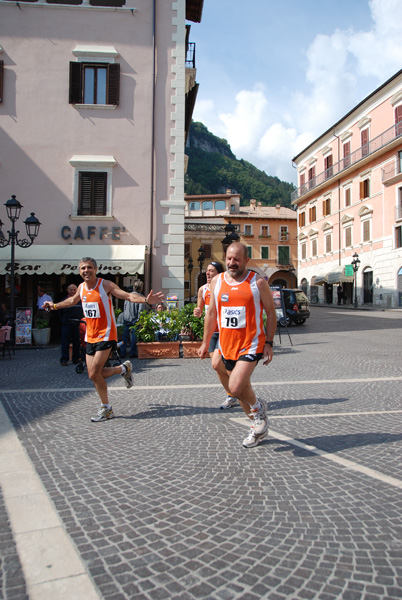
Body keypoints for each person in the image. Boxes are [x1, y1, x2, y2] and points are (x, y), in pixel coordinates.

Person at [43, 257, 164, 422]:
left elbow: (127, 296)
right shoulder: (81, 287)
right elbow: (72, 300)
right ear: (80, 271)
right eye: (83, 268)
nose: (86, 270)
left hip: (106, 333)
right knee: (93, 375)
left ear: (95, 269)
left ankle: (106, 408)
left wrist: (145, 300)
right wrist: (54, 305)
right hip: (90, 335)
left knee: (94, 372)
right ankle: (122, 369)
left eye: (89, 268)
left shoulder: (105, 285)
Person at [198, 242, 277, 448]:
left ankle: (258, 408)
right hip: (226, 344)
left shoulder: (257, 283)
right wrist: (205, 342)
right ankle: (256, 426)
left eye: (237, 259)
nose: (232, 263)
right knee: (242, 388)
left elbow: (270, 312)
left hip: (251, 343)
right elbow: (212, 313)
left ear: (246, 261)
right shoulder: (217, 281)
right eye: (229, 259)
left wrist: (268, 342)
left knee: (235, 387)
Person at [194, 260, 237, 410]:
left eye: (212, 270)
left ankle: (238, 389)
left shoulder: (225, 287)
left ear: (219, 273)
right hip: (212, 333)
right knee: (217, 365)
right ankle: (232, 394)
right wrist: (197, 312)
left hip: (225, 331)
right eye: (207, 270)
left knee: (220, 364)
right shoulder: (202, 290)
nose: (208, 273)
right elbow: (200, 311)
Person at [118, 280, 148, 359]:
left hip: (126, 318)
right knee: (134, 336)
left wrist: (125, 316)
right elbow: (140, 310)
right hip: (135, 319)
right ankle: (133, 352)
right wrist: (139, 319)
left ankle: (122, 352)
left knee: (124, 336)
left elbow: (125, 307)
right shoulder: (140, 297)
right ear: (141, 288)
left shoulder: (128, 296)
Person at [58, 284, 83, 366]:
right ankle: (64, 359)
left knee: (77, 342)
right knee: (65, 342)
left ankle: (76, 359)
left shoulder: (80, 300)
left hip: (76, 324)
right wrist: (63, 321)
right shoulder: (64, 300)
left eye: (74, 290)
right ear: (67, 290)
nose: (73, 291)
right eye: (71, 290)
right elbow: (60, 313)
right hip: (66, 324)